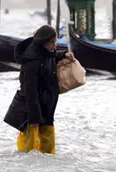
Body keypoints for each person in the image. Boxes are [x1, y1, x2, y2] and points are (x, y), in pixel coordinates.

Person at [14, 25, 74, 154]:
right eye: (52, 42)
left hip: (47, 107)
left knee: (48, 151)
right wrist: (34, 118)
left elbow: (50, 58)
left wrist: (63, 55)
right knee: (27, 149)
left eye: (55, 41)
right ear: (43, 42)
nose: (54, 45)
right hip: (32, 112)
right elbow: (30, 90)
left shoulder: (46, 54)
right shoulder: (32, 62)